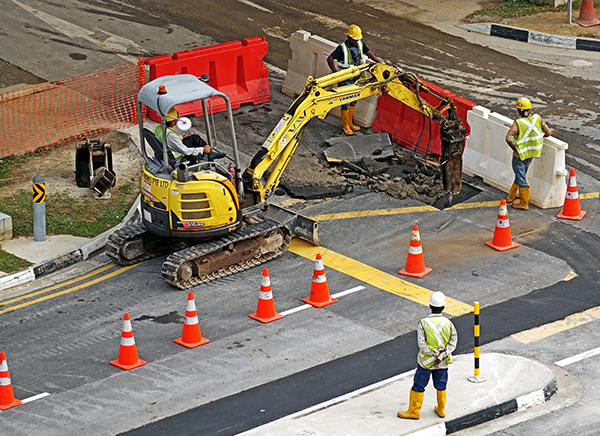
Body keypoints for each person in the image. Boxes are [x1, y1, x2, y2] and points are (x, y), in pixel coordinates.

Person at [398, 291, 458, 420]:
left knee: (419, 385)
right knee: (441, 384)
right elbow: (453, 342)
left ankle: (414, 411)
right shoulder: (448, 323)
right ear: (443, 307)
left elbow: (422, 345)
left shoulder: (423, 323)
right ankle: (441, 410)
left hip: (426, 362)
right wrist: (442, 355)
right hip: (442, 362)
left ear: (430, 305)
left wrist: (433, 354)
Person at [327, 24, 382, 136]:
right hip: (345, 80)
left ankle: (350, 123)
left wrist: (378, 61)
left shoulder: (359, 44)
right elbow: (330, 58)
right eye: (354, 39)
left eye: (357, 39)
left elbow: (368, 53)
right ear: (348, 37)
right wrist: (335, 73)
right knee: (346, 102)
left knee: (353, 101)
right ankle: (346, 126)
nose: (356, 41)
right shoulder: (342, 48)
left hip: (356, 78)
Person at [505, 97, 552, 210]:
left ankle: (524, 203)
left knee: (521, 177)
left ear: (520, 111)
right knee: (521, 174)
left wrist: (515, 149)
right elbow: (548, 133)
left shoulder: (518, 124)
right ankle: (511, 196)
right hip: (532, 153)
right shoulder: (537, 118)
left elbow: (508, 138)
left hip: (519, 155)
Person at [155, 108, 225, 165]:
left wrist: (182, 137)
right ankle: (207, 153)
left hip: (168, 150)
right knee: (197, 148)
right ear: (173, 122)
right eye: (176, 119)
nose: (177, 121)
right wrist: (202, 149)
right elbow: (185, 151)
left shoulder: (159, 128)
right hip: (177, 156)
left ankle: (209, 153)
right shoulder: (171, 136)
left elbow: (168, 140)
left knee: (194, 138)